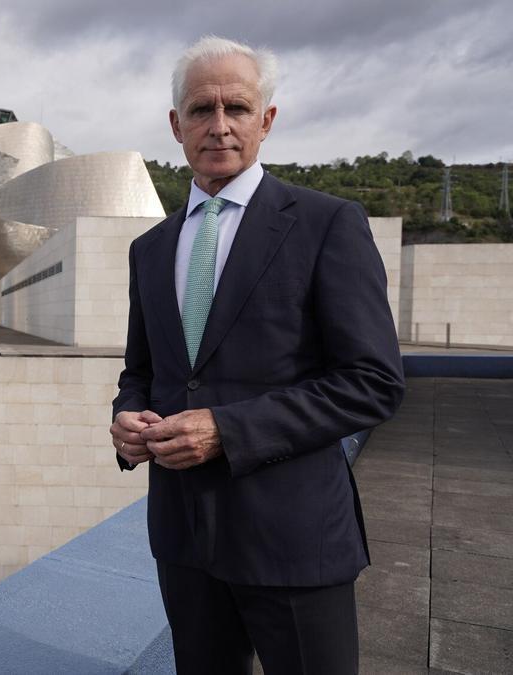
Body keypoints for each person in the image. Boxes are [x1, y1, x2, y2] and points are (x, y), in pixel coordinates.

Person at [108, 36, 404, 674]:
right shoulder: (150, 248)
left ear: (266, 120)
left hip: (292, 538)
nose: (219, 126)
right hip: (183, 538)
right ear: (175, 126)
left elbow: (374, 381)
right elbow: (144, 371)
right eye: (200, 110)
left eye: (236, 108)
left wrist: (227, 429)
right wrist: (127, 419)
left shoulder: (328, 223)